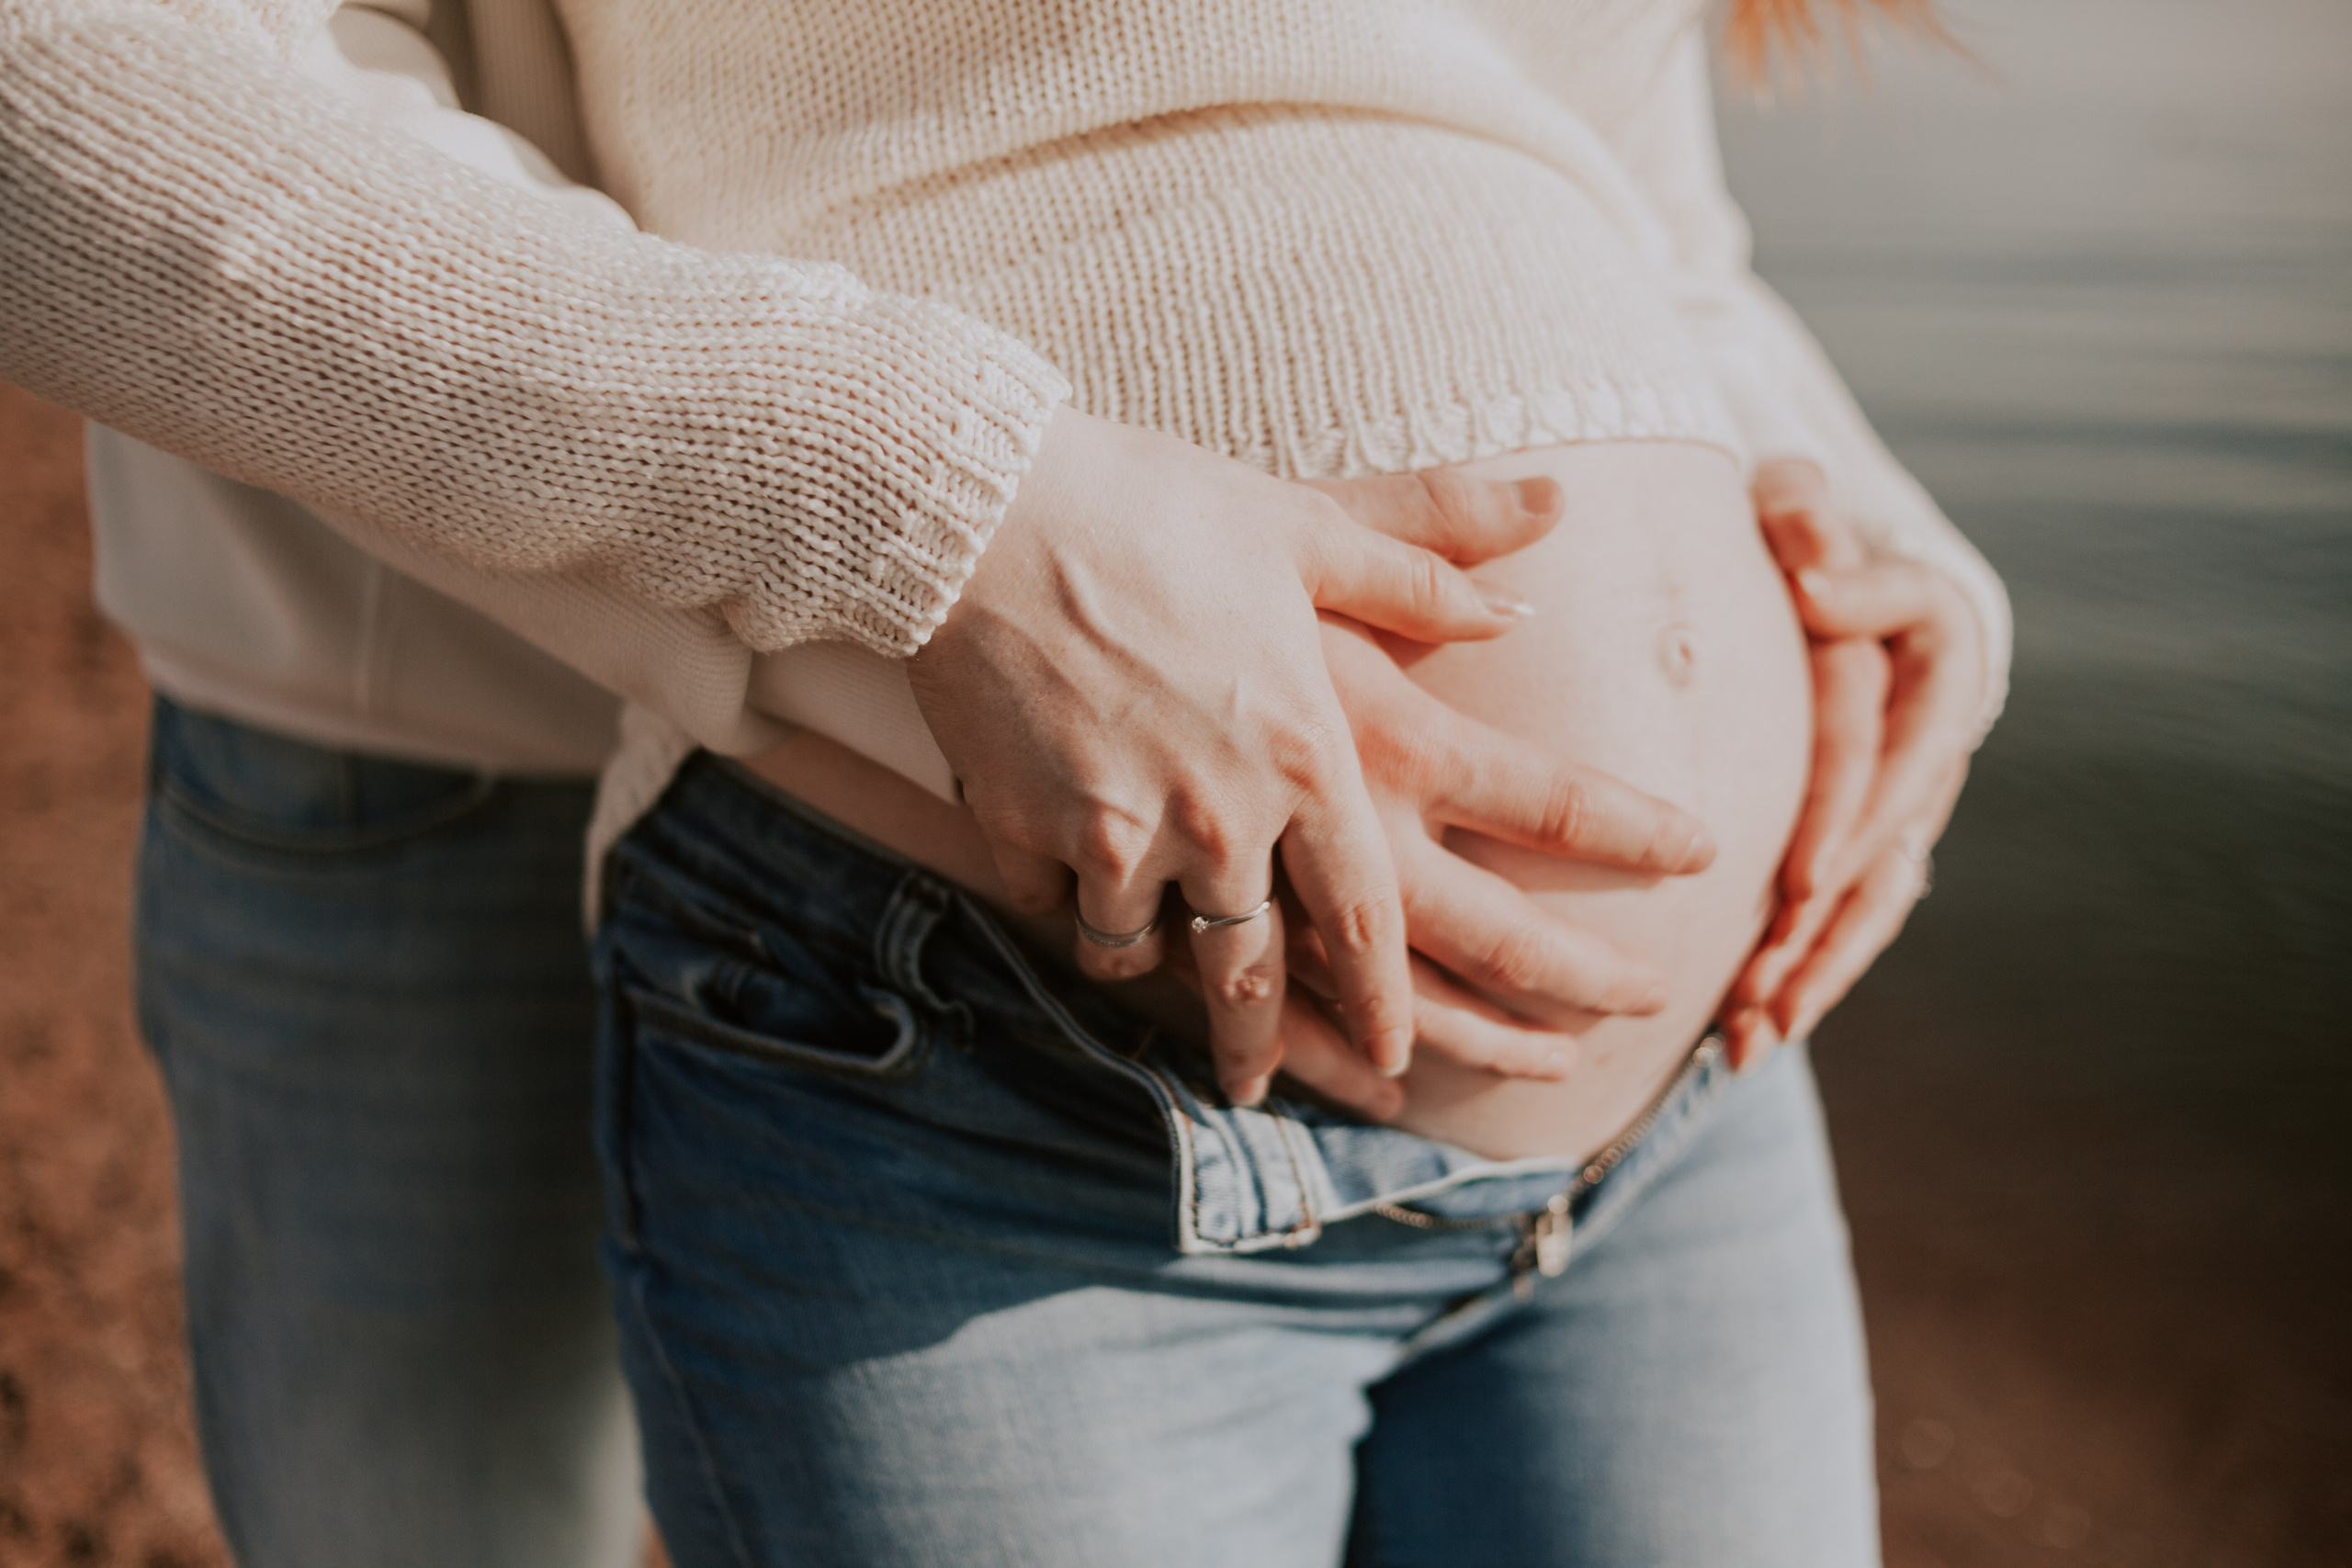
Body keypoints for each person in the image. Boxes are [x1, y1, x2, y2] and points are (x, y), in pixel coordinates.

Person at [0, 0, 1830, 1562]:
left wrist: (1847, 520)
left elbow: (1624, 186)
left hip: (1693, 1107)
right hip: (965, 1026)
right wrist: (952, 520)